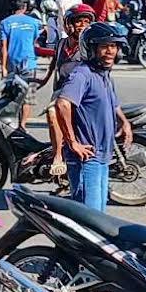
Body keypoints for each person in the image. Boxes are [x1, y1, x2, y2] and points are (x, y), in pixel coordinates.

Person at [53, 23, 131, 212]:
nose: (110, 51)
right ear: (92, 49)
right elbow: (62, 104)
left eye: (113, 46)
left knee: (99, 215)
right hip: (87, 159)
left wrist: (124, 122)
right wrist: (72, 143)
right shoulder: (82, 74)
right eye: (104, 47)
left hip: (103, 156)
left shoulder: (104, 75)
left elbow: (112, 103)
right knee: (90, 219)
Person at [40, 4, 95, 178]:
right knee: (52, 111)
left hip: (80, 92)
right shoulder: (61, 43)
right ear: (69, 24)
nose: (83, 25)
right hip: (62, 90)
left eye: (86, 22)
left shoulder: (90, 47)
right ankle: (58, 152)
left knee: (52, 112)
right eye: (79, 21)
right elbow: (54, 64)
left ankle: (58, 157)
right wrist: (43, 80)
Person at [0, 0, 43, 129]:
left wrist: (3, 68)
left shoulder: (5, 23)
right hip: (29, 62)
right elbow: (34, 41)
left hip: (12, 63)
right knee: (28, 97)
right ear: (24, 7)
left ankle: (10, 123)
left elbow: (3, 47)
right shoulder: (34, 22)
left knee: (11, 95)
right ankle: (23, 125)